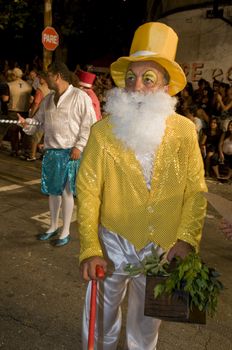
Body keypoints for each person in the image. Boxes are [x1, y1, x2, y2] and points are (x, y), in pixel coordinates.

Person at [77, 22, 207, 349]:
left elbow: (195, 189)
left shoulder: (184, 131)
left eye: (148, 79)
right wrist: (90, 248)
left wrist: (187, 238)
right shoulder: (103, 132)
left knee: (147, 327)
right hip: (113, 243)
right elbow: (88, 191)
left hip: (162, 248)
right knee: (101, 320)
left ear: (164, 86)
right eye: (131, 78)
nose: (136, 87)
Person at [18, 61, 96, 247]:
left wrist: (79, 146)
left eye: (48, 76)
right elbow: (38, 122)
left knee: (67, 192)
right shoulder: (48, 99)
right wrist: (26, 124)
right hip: (52, 152)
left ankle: (65, 231)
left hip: (70, 153)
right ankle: (53, 226)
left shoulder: (80, 96)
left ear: (58, 76)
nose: (45, 80)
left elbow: (89, 123)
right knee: (53, 192)